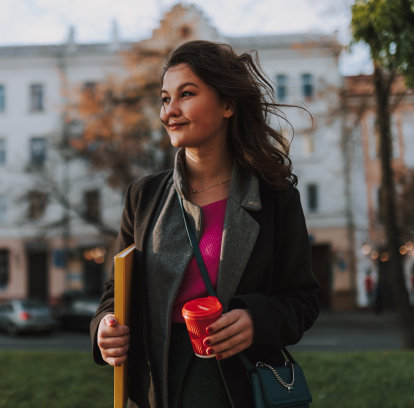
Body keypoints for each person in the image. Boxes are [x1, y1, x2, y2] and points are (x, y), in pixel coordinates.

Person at [90, 40, 320, 408]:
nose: (170, 112)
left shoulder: (275, 198)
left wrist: (254, 320)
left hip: (239, 388)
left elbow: (302, 302)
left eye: (186, 94)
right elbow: (115, 294)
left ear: (228, 104)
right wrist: (103, 328)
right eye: (165, 99)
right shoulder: (143, 196)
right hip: (157, 390)